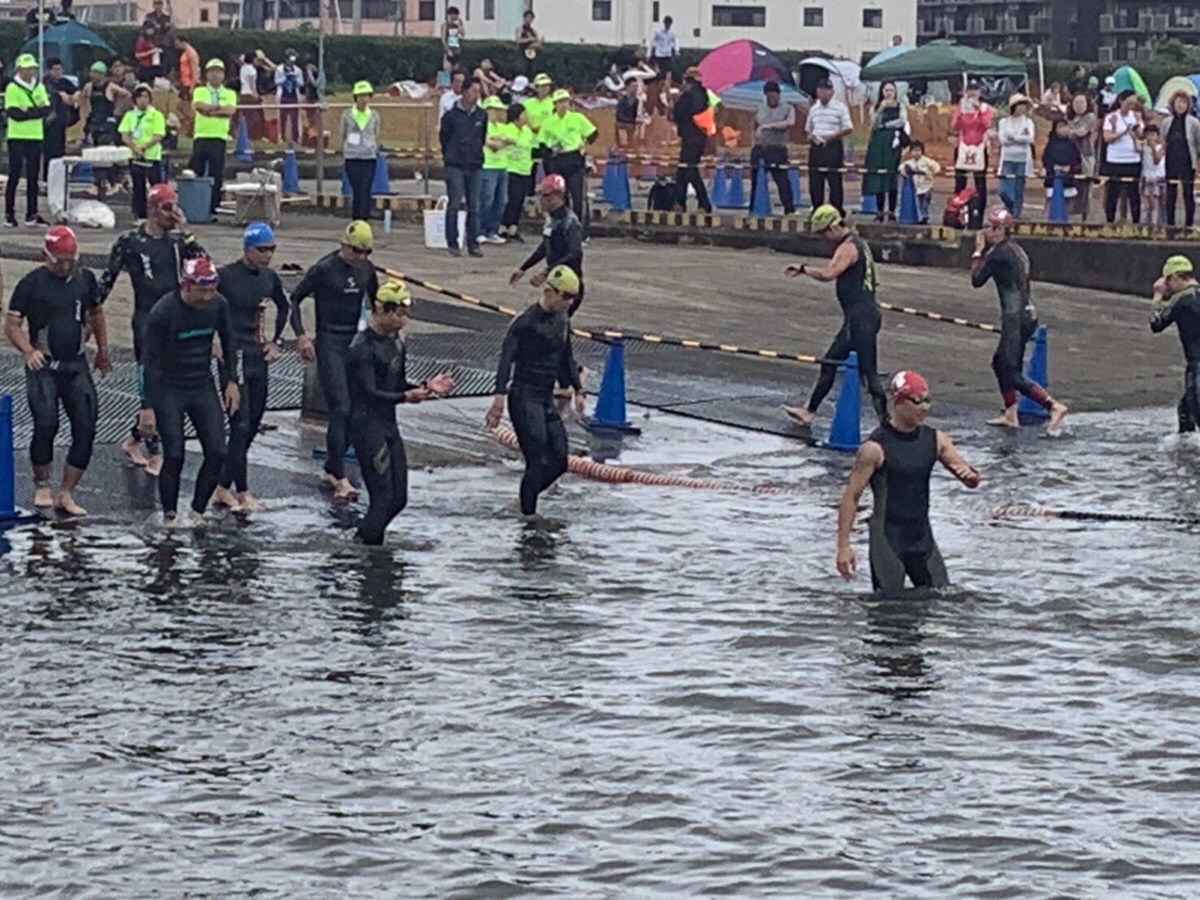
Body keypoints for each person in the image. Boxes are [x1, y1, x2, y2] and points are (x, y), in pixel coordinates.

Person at [835, 370, 981, 595]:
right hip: (887, 540)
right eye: (917, 401)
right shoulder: (874, 448)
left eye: (927, 400)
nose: (925, 408)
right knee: (888, 610)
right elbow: (851, 497)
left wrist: (971, 478)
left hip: (922, 538)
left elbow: (970, 477)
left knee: (943, 598)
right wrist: (844, 546)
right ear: (899, 402)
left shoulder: (936, 440)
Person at [99, 183, 207, 473]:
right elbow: (107, 281)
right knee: (152, 380)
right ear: (151, 208)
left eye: (174, 206)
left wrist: (187, 232)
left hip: (175, 319)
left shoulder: (177, 243)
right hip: (146, 319)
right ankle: (154, 449)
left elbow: (205, 267)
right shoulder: (130, 241)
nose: (171, 213)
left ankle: (134, 439)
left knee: (171, 386)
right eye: (166, 207)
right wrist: (90, 316)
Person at [4, 226, 109, 516]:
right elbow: (12, 324)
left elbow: (97, 315)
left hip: (76, 363)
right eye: (58, 261)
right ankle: (42, 483)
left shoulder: (84, 278)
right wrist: (28, 350)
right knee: (46, 423)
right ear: (45, 256)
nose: (64, 267)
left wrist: (102, 350)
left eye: (69, 261)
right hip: (45, 365)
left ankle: (67, 491)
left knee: (86, 426)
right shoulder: (31, 283)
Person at [347, 279, 455, 545]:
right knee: (381, 499)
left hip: (388, 425)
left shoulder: (397, 342)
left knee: (399, 499)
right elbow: (369, 393)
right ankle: (365, 552)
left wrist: (426, 387)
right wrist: (405, 397)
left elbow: (397, 384)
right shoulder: (361, 347)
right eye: (399, 314)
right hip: (366, 427)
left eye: (406, 314)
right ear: (381, 310)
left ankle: (365, 540)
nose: (403, 321)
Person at [142, 257, 240, 528]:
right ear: (186, 286)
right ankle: (170, 515)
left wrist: (232, 381)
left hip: (201, 382)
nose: (209, 295)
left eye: (212, 289)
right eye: (203, 290)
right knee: (174, 454)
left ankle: (197, 511)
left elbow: (229, 341)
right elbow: (148, 363)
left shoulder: (218, 304)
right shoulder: (163, 312)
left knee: (218, 451)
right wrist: (146, 406)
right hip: (168, 386)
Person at [486, 265, 586, 518]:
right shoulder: (525, 322)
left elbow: (566, 355)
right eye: (565, 297)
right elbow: (505, 359)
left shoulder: (562, 320)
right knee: (537, 459)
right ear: (549, 292)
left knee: (560, 460)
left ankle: (525, 500)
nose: (569, 303)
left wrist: (578, 389)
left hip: (544, 397)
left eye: (573, 298)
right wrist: (499, 397)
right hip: (523, 396)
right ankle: (528, 518)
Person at [289, 220, 380, 499]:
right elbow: (294, 299)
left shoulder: (367, 270)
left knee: (358, 406)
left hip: (354, 340)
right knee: (340, 407)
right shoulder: (324, 269)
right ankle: (338, 474)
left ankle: (332, 463)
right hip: (329, 340)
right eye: (356, 251)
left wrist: (384, 336)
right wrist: (302, 336)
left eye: (367, 252)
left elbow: (376, 304)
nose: (361, 258)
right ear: (343, 245)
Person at [207, 223, 289, 512]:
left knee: (253, 423)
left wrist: (277, 341)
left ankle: (221, 486)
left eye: (271, 250)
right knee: (239, 425)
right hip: (234, 355)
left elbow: (285, 306)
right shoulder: (225, 276)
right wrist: (211, 343)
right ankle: (242, 492)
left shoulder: (269, 278)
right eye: (262, 250)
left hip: (258, 354)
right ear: (247, 249)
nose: (267, 256)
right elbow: (203, 305)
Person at [783, 204, 888, 426]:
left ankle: (887, 424)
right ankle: (808, 411)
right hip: (861, 316)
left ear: (832, 227)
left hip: (861, 319)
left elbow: (829, 274)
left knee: (869, 374)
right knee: (830, 362)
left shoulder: (848, 248)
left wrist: (804, 269)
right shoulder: (860, 244)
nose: (824, 239)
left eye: (823, 233)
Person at [970, 205, 1069, 433]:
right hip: (1026, 314)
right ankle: (1011, 413)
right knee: (1000, 363)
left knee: (1011, 372)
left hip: (1015, 318)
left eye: (987, 227)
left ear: (998, 229)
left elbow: (976, 279)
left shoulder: (998, 253)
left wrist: (978, 251)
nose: (984, 232)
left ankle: (1053, 406)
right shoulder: (1017, 250)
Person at [510, 174, 585, 315]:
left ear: (557, 197)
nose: (540, 200)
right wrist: (523, 268)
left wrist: (546, 272)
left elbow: (575, 254)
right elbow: (545, 246)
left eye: (545, 195)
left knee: (555, 325)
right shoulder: (552, 218)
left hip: (568, 284)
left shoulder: (570, 222)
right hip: (557, 280)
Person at [1151, 256, 1200, 434]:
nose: (1167, 288)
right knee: (1185, 410)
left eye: (1167, 283)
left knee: (1195, 408)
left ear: (1175, 278)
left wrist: (1157, 297)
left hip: (1197, 364)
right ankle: (1187, 451)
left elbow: (1156, 324)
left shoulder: (1180, 299)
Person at [439, 77, 486, 258]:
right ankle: (452, 242)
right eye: (474, 90)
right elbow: (444, 137)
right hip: (455, 164)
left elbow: (482, 137)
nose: (476, 94)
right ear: (465, 92)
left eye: (478, 91)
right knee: (455, 203)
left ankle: (473, 243)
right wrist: (450, 155)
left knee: (474, 205)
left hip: (475, 164)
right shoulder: (451, 116)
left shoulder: (482, 115)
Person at [5, 53, 51, 228]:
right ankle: (9, 213)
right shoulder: (12, 88)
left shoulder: (38, 86)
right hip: (17, 136)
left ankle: (32, 214)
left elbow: (46, 108)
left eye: (32, 69)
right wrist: (35, 111)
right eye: (26, 69)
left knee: (33, 178)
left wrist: (27, 111)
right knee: (14, 175)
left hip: (35, 136)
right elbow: (14, 114)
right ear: (19, 70)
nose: (30, 72)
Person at [187, 59, 237, 219]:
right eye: (212, 71)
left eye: (218, 71)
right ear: (207, 74)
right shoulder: (200, 90)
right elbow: (200, 106)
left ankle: (213, 206)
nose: (215, 74)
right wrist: (218, 109)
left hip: (219, 137)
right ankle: (193, 204)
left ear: (223, 74)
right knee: (196, 170)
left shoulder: (229, 93)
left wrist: (211, 110)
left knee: (216, 173)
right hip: (201, 136)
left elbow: (230, 110)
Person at [541, 89, 598, 229]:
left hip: (574, 158)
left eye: (565, 101)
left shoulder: (577, 118)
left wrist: (584, 144)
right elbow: (542, 143)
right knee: (560, 197)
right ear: (554, 104)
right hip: (557, 159)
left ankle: (579, 230)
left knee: (578, 197)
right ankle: (561, 227)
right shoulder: (548, 121)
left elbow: (593, 133)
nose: (563, 105)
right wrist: (550, 154)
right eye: (560, 102)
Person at [79, 61, 128, 200]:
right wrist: (85, 113)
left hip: (107, 121)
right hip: (94, 121)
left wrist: (118, 110)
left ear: (103, 74)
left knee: (106, 152)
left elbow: (127, 95)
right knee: (96, 153)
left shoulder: (110, 86)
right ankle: (100, 182)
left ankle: (114, 181)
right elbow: (83, 98)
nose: (94, 76)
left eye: (97, 73)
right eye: (92, 72)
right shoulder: (89, 86)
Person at [805, 79, 852, 216]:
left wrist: (832, 136)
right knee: (815, 179)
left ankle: (836, 209)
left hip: (833, 145)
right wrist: (812, 137)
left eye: (827, 90)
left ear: (832, 92)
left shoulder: (840, 107)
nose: (824, 93)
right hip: (817, 145)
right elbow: (808, 129)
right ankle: (817, 208)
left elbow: (848, 128)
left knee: (834, 179)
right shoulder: (814, 109)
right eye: (821, 90)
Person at [950, 79, 994, 227]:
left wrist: (979, 111)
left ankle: (978, 216)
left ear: (980, 92)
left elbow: (986, 125)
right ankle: (956, 213)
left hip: (979, 146)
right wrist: (960, 114)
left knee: (980, 183)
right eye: (970, 89)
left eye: (975, 89)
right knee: (960, 181)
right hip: (963, 145)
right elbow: (955, 126)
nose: (972, 92)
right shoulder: (960, 107)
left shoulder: (986, 108)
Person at [119, 83, 167, 219]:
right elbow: (124, 134)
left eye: (146, 96)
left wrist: (144, 147)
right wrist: (135, 148)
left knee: (155, 187)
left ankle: (158, 214)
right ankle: (140, 215)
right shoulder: (130, 115)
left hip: (152, 156)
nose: (143, 100)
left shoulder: (156, 115)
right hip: (135, 156)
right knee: (138, 186)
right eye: (140, 97)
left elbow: (158, 135)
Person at [749, 81, 796, 216]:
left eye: (774, 96)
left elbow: (790, 123)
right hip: (760, 147)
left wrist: (768, 126)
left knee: (782, 181)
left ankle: (789, 209)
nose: (772, 99)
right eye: (769, 96)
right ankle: (754, 208)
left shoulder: (787, 108)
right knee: (756, 180)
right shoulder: (759, 108)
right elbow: (754, 125)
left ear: (779, 95)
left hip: (777, 148)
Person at [862, 81, 906, 221]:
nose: (888, 93)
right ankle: (879, 211)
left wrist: (886, 125)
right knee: (878, 175)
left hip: (892, 142)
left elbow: (902, 121)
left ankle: (892, 211)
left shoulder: (900, 106)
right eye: (886, 90)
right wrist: (880, 109)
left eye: (891, 90)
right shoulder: (875, 107)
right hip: (877, 143)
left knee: (891, 175)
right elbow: (873, 125)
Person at [671, 67, 712, 214]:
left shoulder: (688, 96)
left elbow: (677, 115)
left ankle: (703, 203)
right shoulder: (705, 95)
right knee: (683, 169)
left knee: (689, 169)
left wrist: (675, 104)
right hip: (700, 137)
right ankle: (679, 202)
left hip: (690, 137)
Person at [1102, 90, 1144, 225]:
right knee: (1113, 192)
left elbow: (1142, 136)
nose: (1131, 105)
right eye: (1128, 102)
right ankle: (1110, 220)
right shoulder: (1111, 117)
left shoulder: (1136, 116)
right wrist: (1123, 132)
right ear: (1121, 101)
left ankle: (1136, 221)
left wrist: (1137, 131)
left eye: (1133, 103)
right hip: (1115, 159)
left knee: (1133, 193)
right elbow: (1107, 138)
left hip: (1133, 159)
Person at [341, 81, 380, 222]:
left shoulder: (374, 115)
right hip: (352, 156)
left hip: (369, 157)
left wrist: (372, 147)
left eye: (366, 96)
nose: (363, 99)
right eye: (360, 96)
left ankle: (364, 218)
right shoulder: (347, 115)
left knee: (366, 188)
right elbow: (343, 133)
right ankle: (357, 217)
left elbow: (376, 133)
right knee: (357, 189)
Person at [479, 95, 515, 244]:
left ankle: (492, 230)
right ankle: (479, 230)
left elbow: (512, 140)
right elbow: (493, 145)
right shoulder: (481, 125)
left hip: (502, 166)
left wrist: (499, 141)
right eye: (495, 110)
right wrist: (500, 141)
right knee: (486, 199)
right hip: (488, 166)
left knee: (501, 201)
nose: (498, 113)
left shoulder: (501, 126)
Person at [1163, 91, 1200, 228]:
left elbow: (1198, 144)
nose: (1181, 105)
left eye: (1184, 103)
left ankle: (1189, 223)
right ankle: (1170, 223)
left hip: (1187, 161)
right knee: (1170, 193)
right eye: (1178, 102)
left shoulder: (1194, 123)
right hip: (1170, 161)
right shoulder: (1166, 122)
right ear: (1173, 104)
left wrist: (1197, 163)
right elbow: (1163, 141)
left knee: (1188, 193)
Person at [500, 102, 535, 241]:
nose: (526, 117)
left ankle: (513, 227)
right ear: (516, 117)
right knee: (511, 199)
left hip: (525, 169)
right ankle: (502, 226)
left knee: (520, 200)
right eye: (523, 114)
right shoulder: (507, 129)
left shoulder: (527, 131)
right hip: (511, 168)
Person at [997, 93, 1035, 219]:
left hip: (1022, 159)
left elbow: (1029, 138)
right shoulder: (1004, 122)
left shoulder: (1028, 122)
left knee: (1019, 188)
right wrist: (1018, 139)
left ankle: (1015, 214)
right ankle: (1010, 207)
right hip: (1007, 158)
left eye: (1024, 105)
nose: (1022, 108)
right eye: (1019, 105)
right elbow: (1003, 140)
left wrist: (1013, 138)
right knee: (1004, 188)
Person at [41, 57, 78, 182]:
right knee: (49, 153)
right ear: (49, 70)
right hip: (50, 123)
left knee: (61, 153)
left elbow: (76, 91)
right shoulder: (45, 83)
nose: (58, 72)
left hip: (63, 122)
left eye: (60, 69)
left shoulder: (65, 82)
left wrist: (75, 96)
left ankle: (60, 179)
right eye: (55, 69)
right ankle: (47, 180)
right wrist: (59, 94)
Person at [1042, 117, 1081, 219]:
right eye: (1060, 127)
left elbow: (1077, 160)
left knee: (1068, 204)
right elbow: (1046, 159)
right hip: (1053, 178)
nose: (1064, 129)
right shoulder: (1051, 144)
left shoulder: (1072, 144)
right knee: (1052, 203)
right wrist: (1054, 167)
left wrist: (1070, 167)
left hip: (1068, 178)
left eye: (1065, 126)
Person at [1066, 94, 1097, 221]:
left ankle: (1084, 215)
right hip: (1069, 154)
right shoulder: (1068, 118)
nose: (1079, 105)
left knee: (1085, 184)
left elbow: (1081, 132)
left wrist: (1069, 132)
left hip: (1085, 154)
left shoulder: (1090, 117)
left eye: (1081, 102)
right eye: (1076, 102)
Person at [900, 140, 940, 224]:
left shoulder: (926, 161)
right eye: (914, 151)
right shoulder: (909, 163)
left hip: (927, 186)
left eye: (918, 150)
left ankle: (925, 217)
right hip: (918, 187)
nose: (916, 153)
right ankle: (922, 217)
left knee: (925, 202)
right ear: (910, 152)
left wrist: (932, 172)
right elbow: (901, 168)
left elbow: (936, 166)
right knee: (920, 203)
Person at [173, 34, 200, 134]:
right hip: (185, 82)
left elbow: (194, 70)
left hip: (189, 83)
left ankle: (193, 124)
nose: (176, 46)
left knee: (185, 106)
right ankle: (191, 123)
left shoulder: (191, 53)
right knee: (180, 106)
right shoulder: (185, 53)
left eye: (178, 43)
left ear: (183, 42)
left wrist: (192, 86)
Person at [275, 48, 302, 145]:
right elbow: (276, 81)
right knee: (282, 117)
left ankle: (296, 137)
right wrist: (285, 77)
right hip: (283, 95)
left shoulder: (298, 70)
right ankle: (281, 136)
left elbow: (301, 83)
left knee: (295, 118)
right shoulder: (279, 69)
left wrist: (295, 80)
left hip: (294, 96)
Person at [1142, 123, 1166, 226]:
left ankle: (1155, 223)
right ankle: (1145, 222)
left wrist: (1152, 148)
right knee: (1146, 201)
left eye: (1153, 135)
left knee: (1156, 201)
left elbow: (1157, 160)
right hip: (1147, 175)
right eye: (1148, 135)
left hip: (1158, 176)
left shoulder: (1160, 147)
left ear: (1157, 136)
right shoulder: (1143, 146)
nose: (1150, 137)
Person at [515, 9, 541, 80]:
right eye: (528, 17)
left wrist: (536, 44)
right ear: (524, 18)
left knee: (531, 73)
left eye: (531, 18)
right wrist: (529, 39)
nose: (529, 20)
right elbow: (518, 40)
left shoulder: (534, 31)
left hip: (532, 55)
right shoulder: (520, 29)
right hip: (522, 54)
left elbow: (538, 43)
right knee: (522, 72)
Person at [442, 6, 465, 72]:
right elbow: (443, 39)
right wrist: (447, 50)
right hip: (449, 51)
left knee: (457, 71)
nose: (456, 16)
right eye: (455, 15)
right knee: (447, 70)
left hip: (457, 50)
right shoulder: (445, 25)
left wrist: (460, 24)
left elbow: (463, 34)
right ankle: (443, 81)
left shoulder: (457, 26)